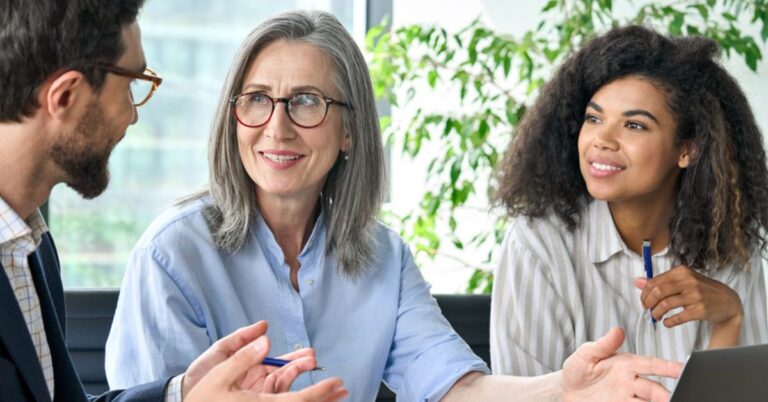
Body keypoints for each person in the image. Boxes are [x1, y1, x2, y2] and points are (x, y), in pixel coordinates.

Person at [106, 11, 683, 401]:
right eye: (257, 100)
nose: (276, 127)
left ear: (350, 130)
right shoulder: (172, 254)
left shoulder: (384, 257)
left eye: (306, 101)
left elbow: (455, 388)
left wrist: (562, 388)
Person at [0, 1, 350, 401]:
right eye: (131, 85)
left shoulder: (29, 246)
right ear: (66, 96)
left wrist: (181, 394)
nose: (133, 116)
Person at [490, 24, 768, 389]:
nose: (602, 140)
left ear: (687, 149)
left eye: (634, 125)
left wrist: (728, 320)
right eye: (593, 118)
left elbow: (745, 396)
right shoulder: (539, 245)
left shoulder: (730, 242)